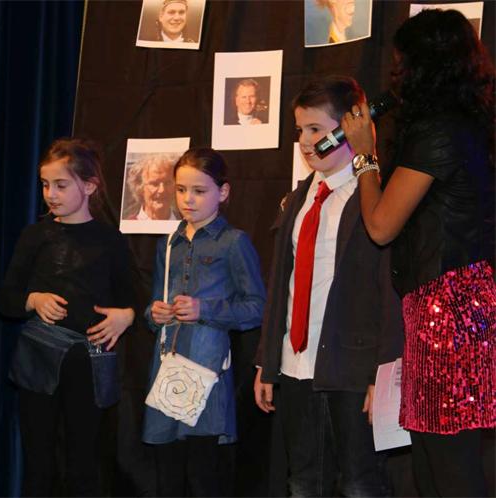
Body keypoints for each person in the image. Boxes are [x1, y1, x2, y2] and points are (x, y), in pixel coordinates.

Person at [341, 9, 495, 497]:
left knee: (448, 465)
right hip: (443, 306)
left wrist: (363, 154)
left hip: (450, 311)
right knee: (434, 460)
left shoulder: (440, 132)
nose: (396, 74)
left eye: (402, 63)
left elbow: (381, 225)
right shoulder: (462, 126)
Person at [253, 76, 403, 496]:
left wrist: (384, 373)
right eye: (299, 130)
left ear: (349, 128)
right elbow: (281, 284)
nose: (304, 141)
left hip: (352, 368)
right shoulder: (299, 199)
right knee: (303, 481)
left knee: (360, 483)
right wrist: (268, 361)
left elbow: (390, 291)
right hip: (296, 366)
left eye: (316, 129)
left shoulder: (373, 198)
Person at [0, 138, 136, 496]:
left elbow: (133, 296)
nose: (50, 194)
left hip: (90, 363)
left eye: (60, 185)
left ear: (89, 186)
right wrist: (33, 299)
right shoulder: (35, 236)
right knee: (39, 463)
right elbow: (5, 299)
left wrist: (126, 316)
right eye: (45, 185)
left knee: (85, 462)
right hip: (40, 359)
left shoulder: (110, 240)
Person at [143, 147, 266, 496]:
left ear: (222, 193)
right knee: (167, 477)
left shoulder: (233, 242)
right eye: (181, 190)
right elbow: (154, 303)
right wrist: (154, 313)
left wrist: (205, 309)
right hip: (166, 369)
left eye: (199, 191)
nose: (188, 199)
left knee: (204, 476)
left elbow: (257, 307)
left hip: (206, 371)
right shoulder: (169, 244)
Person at [123, 153, 179, 220]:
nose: (162, 190)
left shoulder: (186, 222)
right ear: (139, 188)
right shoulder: (128, 224)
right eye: (154, 184)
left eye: (168, 183)